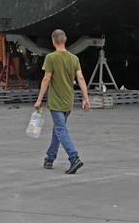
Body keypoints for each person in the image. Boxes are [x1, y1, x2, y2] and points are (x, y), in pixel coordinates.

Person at [33, 29, 90, 174]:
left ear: (53, 41)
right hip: (68, 102)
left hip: (56, 103)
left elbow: (46, 79)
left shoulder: (51, 58)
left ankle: (74, 158)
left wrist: (39, 100)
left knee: (60, 130)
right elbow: (81, 78)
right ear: (65, 40)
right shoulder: (74, 59)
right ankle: (50, 158)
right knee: (58, 129)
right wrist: (85, 98)